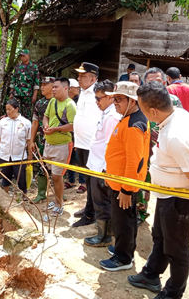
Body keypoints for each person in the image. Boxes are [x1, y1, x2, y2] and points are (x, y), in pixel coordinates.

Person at [128, 81, 189, 299]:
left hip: (181, 200)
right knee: (159, 236)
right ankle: (151, 274)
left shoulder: (176, 135)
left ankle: (172, 293)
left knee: (177, 248)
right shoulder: (177, 115)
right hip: (167, 194)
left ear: (153, 110)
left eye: (141, 108)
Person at [99, 81, 149, 271]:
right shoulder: (128, 118)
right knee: (124, 219)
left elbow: (134, 161)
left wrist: (127, 189)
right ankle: (124, 248)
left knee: (123, 221)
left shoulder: (134, 124)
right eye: (114, 98)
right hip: (118, 181)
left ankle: (124, 257)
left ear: (132, 101)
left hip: (124, 185)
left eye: (119, 99)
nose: (115, 103)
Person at [137, 68, 183, 222]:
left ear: (164, 83)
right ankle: (141, 212)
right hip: (145, 149)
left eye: (157, 81)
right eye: (150, 82)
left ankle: (165, 218)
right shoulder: (140, 102)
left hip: (165, 151)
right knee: (143, 181)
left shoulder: (174, 101)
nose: (154, 85)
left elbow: (179, 124)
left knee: (166, 187)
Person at [83, 79, 121, 247]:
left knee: (101, 202)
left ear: (110, 97)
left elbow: (110, 146)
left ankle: (103, 236)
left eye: (99, 98)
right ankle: (105, 232)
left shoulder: (112, 117)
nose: (96, 102)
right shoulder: (106, 113)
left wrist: (106, 169)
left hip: (102, 168)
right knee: (100, 201)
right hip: (97, 165)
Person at [72, 62, 103, 227]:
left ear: (93, 78)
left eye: (83, 76)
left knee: (93, 180)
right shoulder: (83, 93)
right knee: (86, 179)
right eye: (79, 76)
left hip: (92, 145)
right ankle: (88, 208)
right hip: (82, 143)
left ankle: (91, 213)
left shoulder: (98, 94)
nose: (79, 78)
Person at [43, 77, 77, 217]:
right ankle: (56, 199)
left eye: (56, 87)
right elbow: (45, 116)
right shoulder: (52, 101)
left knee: (57, 176)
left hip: (62, 145)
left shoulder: (70, 106)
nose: (54, 89)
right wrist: (46, 125)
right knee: (52, 175)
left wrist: (55, 129)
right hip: (49, 143)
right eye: (53, 87)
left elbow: (73, 126)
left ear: (65, 88)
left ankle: (59, 204)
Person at [0, 99, 32, 199]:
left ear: (17, 109)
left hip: (19, 156)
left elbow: (29, 140)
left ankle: (24, 194)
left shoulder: (26, 123)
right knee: (5, 176)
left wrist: (30, 155)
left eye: (10, 109)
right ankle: (5, 196)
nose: (8, 112)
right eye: (6, 109)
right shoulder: (3, 122)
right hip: (4, 154)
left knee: (20, 176)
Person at [29, 76, 55, 203]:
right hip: (41, 140)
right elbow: (34, 123)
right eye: (42, 84)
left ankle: (58, 193)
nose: (42, 87)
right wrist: (32, 140)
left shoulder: (59, 102)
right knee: (41, 165)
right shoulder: (39, 104)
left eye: (45, 84)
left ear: (53, 86)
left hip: (56, 140)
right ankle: (41, 193)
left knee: (57, 167)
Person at [65, 78, 85, 191]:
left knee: (80, 158)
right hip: (68, 133)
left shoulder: (80, 100)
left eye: (78, 87)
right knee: (70, 157)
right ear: (69, 89)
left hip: (79, 133)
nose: (78, 89)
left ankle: (83, 182)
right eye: (75, 87)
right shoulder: (66, 101)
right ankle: (71, 180)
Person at [10, 49, 40, 119]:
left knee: (27, 113)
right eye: (21, 56)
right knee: (15, 111)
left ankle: (27, 128)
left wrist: (35, 95)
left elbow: (36, 82)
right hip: (17, 93)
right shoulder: (17, 66)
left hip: (28, 94)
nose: (22, 57)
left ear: (28, 56)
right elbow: (13, 79)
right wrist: (11, 92)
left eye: (24, 56)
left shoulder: (34, 67)